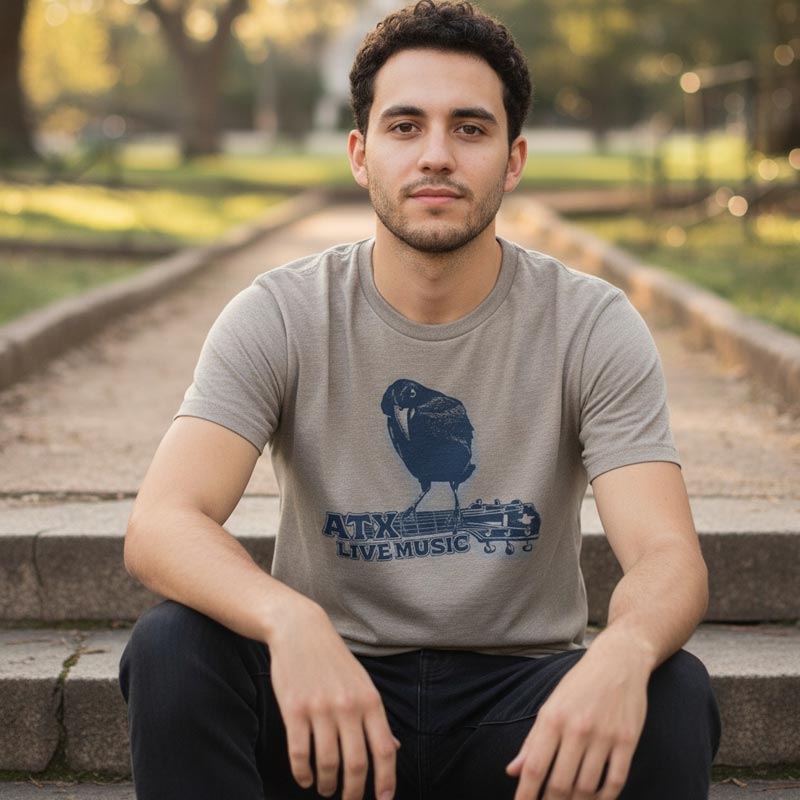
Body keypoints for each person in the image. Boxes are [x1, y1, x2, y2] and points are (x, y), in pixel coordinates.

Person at [118, 2, 721, 799]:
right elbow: (162, 522)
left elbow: (668, 556)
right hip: (329, 709)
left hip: (520, 720)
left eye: (470, 129)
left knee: (671, 691)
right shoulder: (282, 313)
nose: (436, 155)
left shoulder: (590, 323)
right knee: (171, 648)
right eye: (406, 127)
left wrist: (625, 649)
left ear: (512, 160)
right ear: (362, 155)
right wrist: (287, 621)